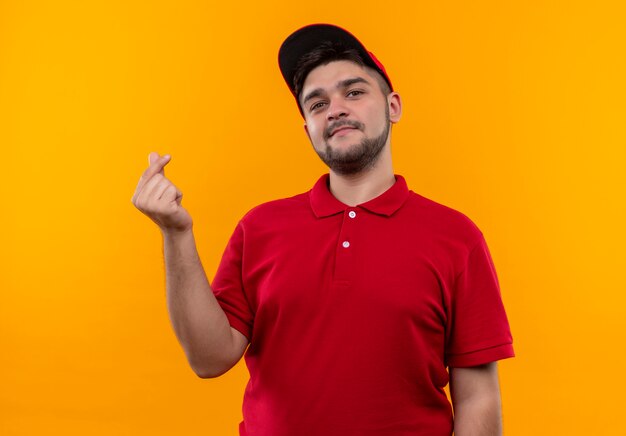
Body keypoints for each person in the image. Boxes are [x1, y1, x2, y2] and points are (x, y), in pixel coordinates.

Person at [132, 23, 514, 436]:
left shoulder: (456, 237)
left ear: (393, 106)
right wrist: (176, 234)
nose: (335, 109)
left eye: (354, 92)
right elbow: (208, 359)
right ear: (308, 130)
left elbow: (478, 396)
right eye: (316, 104)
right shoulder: (259, 228)